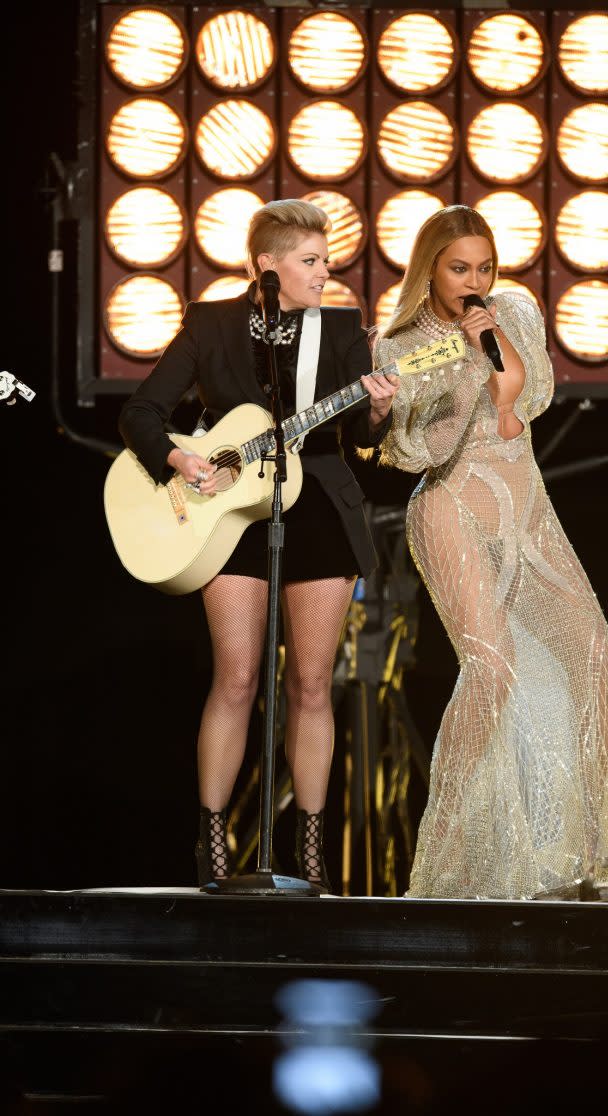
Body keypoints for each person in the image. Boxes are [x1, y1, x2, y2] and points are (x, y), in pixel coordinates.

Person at [373, 205, 608, 900]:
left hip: (525, 505)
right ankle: (445, 865)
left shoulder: (515, 310)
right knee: (493, 668)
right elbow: (419, 450)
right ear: (430, 269)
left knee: (590, 645)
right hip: (453, 506)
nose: (473, 281)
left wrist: (490, 336)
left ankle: (596, 860)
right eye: (458, 268)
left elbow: (529, 395)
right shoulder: (403, 343)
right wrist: (463, 372)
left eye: (484, 267)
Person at [119, 199, 398, 891]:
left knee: (310, 683)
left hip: (320, 514)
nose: (323, 271)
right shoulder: (210, 322)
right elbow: (142, 412)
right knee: (238, 676)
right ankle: (212, 841)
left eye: (326, 259)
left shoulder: (340, 328)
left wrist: (381, 408)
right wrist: (179, 461)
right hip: (229, 513)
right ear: (265, 265)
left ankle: (310, 846)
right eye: (309, 261)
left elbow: (360, 434)